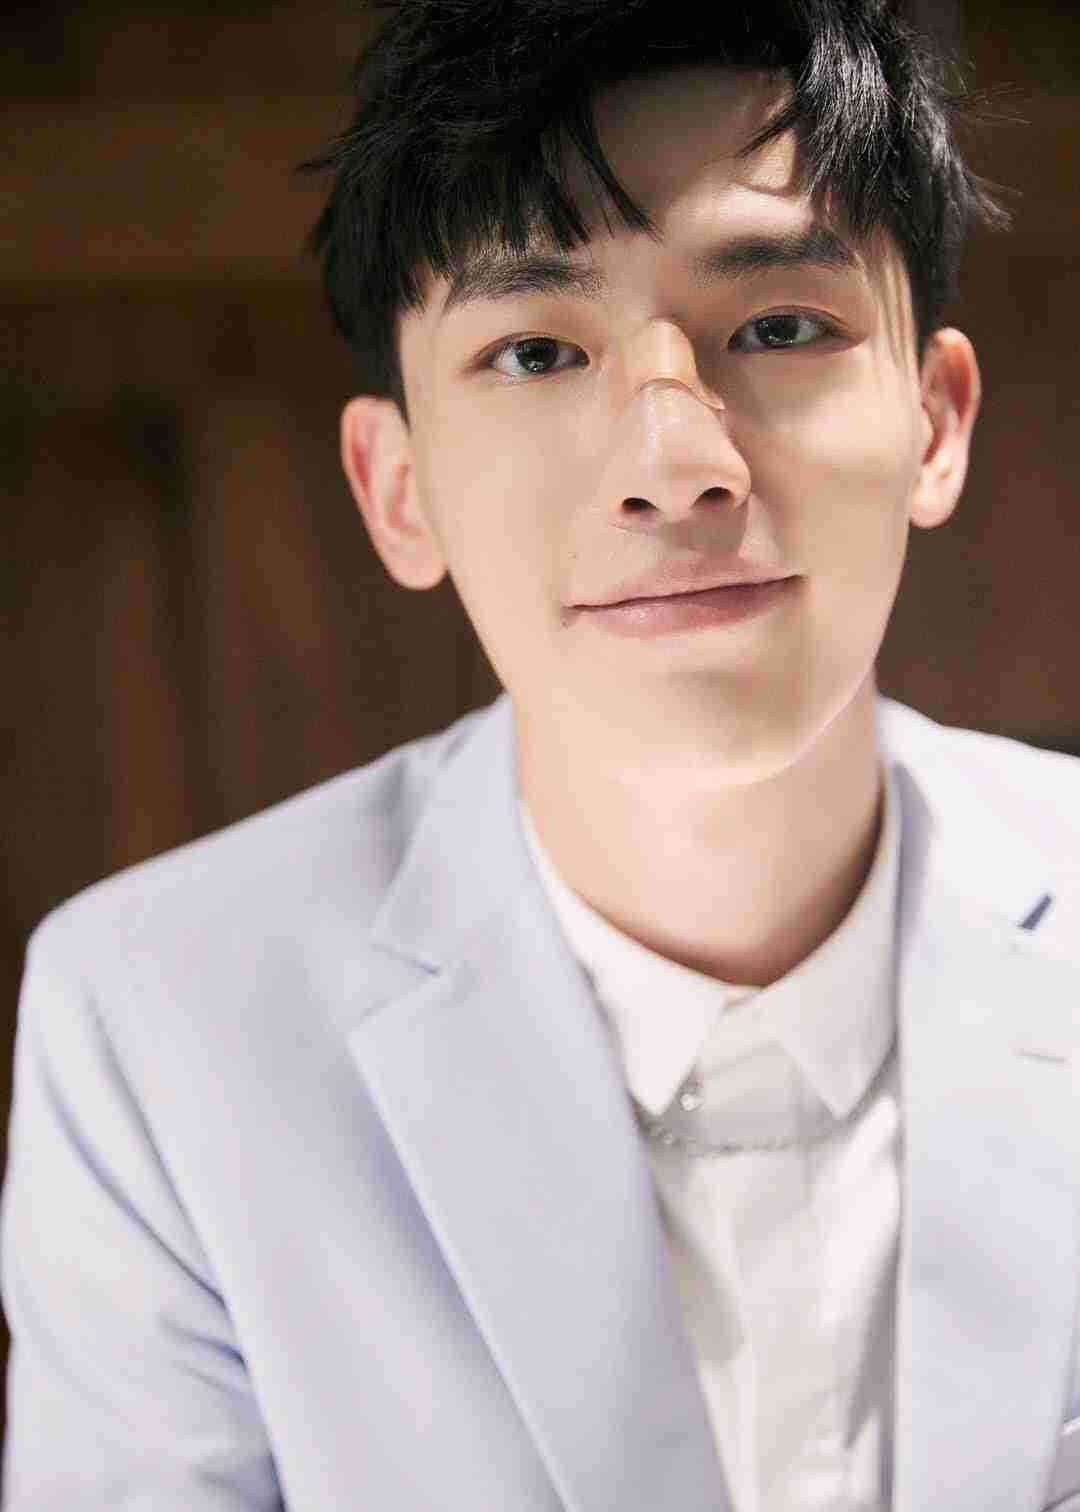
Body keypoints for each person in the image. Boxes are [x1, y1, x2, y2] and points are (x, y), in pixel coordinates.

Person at [2, 1, 1079, 1508]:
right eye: (533, 351)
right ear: (398, 490)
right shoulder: (155, 1025)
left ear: (937, 422)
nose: (677, 464)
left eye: (780, 328)